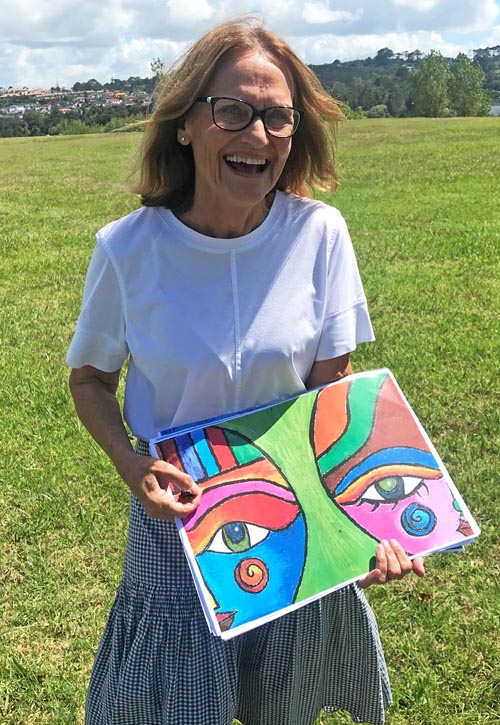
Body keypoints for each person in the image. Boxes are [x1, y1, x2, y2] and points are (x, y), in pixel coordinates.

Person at [67, 17, 425, 725]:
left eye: (276, 116)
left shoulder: (321, 235)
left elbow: (331, 405)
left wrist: (366, 527)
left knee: (282, 708)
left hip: (296, 523)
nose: (256, 135)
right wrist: (128, 463)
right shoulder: (127, 250)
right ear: (186, 125)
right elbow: (89, 379)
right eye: (231, 109)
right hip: (177, 526)